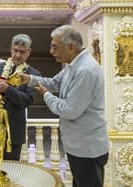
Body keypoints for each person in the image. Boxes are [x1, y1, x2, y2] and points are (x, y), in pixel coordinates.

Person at [20, 25, 109, 187]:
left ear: (71, 47)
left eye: (55, 47)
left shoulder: (85, 70)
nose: (51, 51)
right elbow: (54, 82)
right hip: (78, 146)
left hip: (87, 148)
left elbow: (69, 110)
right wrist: (29, 79)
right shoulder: (72, 65)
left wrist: (46, 94)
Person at [0, 34, 41, 161]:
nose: (17, 55)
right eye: (15, 50)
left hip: (12, 132)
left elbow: (28, 101)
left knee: (9, 171)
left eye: (22, 52)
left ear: (29, 52)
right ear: (11, 49)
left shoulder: (33, 74)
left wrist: (8, 89)